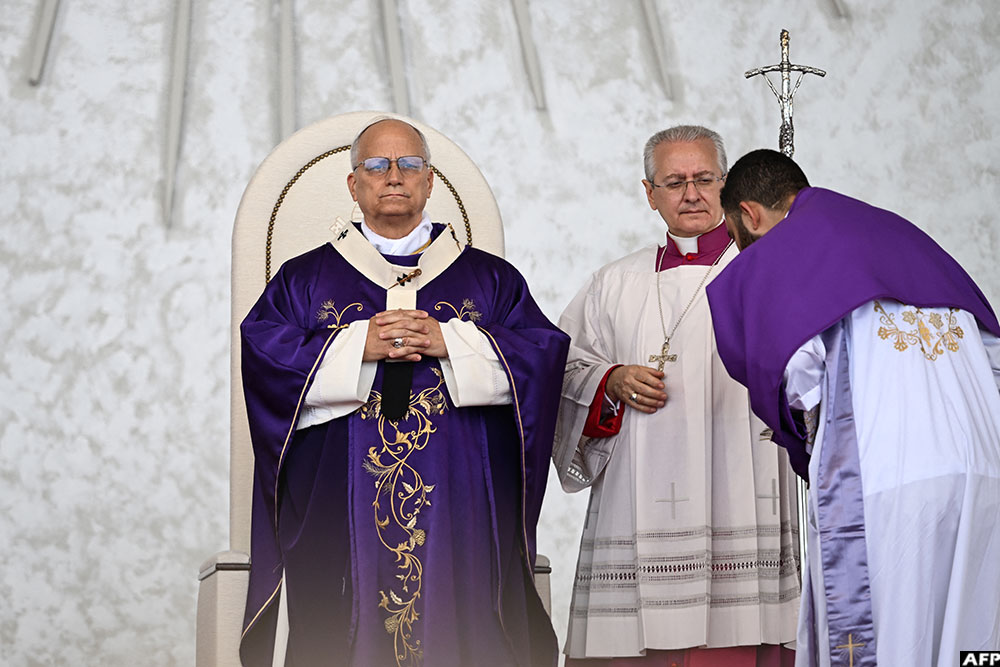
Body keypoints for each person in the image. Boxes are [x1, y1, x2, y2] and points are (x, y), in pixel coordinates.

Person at [238, 117, 569, 667]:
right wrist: (351, 345)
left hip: (459, 510)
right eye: (376, 165)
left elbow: (543, 354)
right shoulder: (305, 280)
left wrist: (454, 341)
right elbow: (265, 356)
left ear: (430, 180)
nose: (394, 176)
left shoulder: (489, 279)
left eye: (409, 164)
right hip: (337, 506)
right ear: (353, 184)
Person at [706, 148, 1000, 666]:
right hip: (982, 467)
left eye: (735, 238)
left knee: (895, 643)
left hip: (890, 478)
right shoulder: (904, 235)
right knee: (968, 636)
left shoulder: (785, 253)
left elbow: (795, 375)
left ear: (749, 214)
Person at [553, 126, 800, 666]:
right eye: (674, 182)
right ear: (650, 193)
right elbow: (562, 366)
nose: (691, 194)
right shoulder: (613, 283)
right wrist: (611, 380)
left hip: (742, 477)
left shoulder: (767, 270)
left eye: (705, 179)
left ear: (727, 185)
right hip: (638, 493)